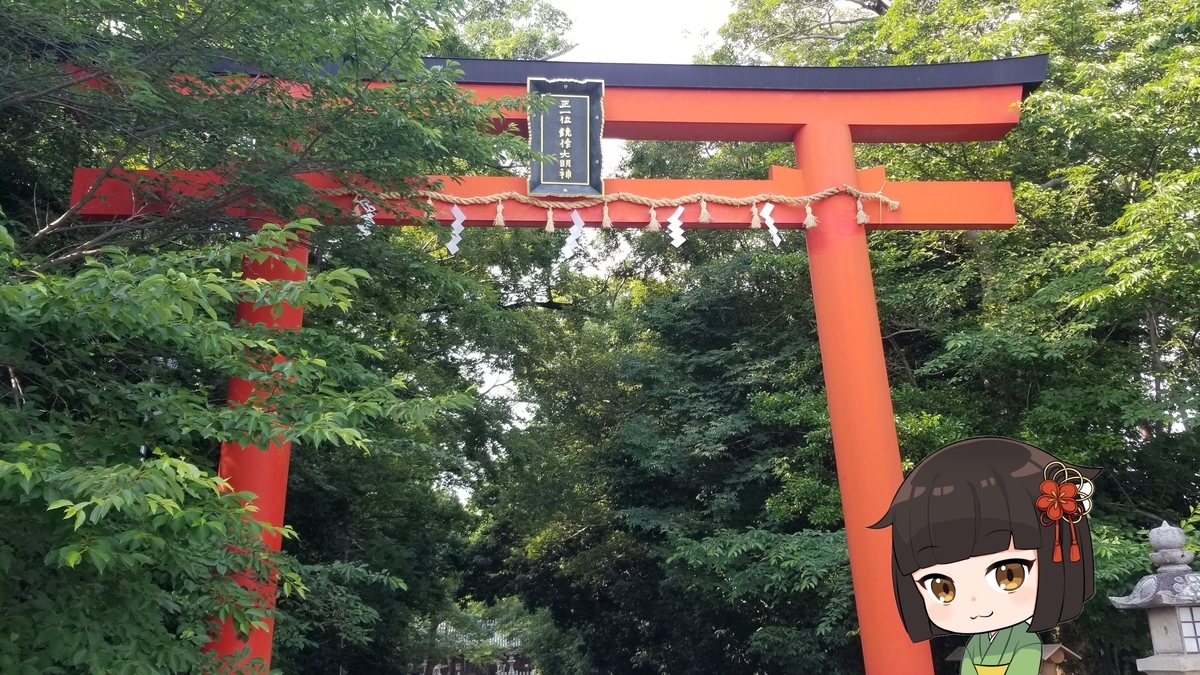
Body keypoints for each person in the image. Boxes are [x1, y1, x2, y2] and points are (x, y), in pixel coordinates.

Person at [870, 437, 1098, 675]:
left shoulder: (1026, 643)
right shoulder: (976, 645)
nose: (975, 605)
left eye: (1009, 575)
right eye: (942, 587)